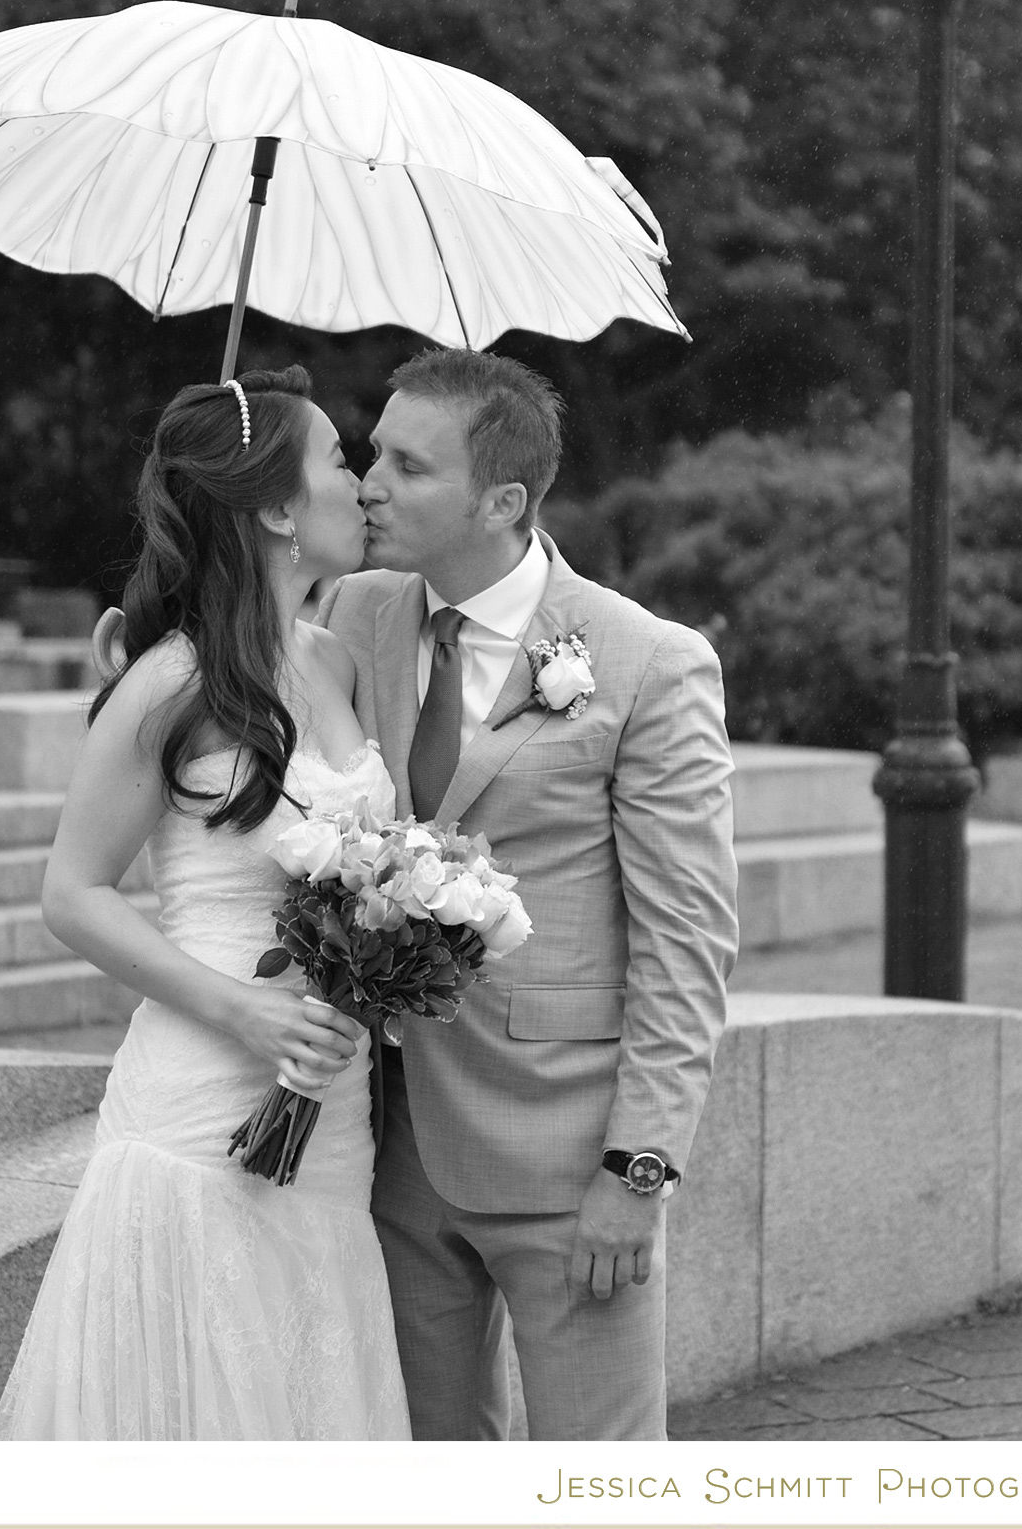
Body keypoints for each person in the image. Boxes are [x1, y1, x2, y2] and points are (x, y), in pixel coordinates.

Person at [316, 348, 739, 1442]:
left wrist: (636, 1169)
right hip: (387, 1145)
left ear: (502, 499)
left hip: (566, 1156)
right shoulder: (356, 611)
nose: (369, 482)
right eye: (371, 454)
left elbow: (685, 942)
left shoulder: (647, 659)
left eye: (407, 466)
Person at [0, 368, 410, 1441]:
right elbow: (72, 892)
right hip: (202, 1089)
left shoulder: (334, 660)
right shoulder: (170, 681)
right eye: (336, 459)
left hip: (333, 1099)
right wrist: (244, 1010)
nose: (359, 482)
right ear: (274, 506)